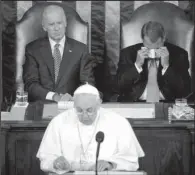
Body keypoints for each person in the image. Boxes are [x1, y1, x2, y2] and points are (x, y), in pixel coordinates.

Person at [36, 83, 145, 174]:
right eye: (79, 110)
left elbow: (131, 161)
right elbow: (46, 158)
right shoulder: (59, 122)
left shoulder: (118, 122)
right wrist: (55, 163)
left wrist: (111, 164)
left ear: (99, 104)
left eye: (89, 110)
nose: (84, 115)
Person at [23, 5, 97, 103]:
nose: (56, 28)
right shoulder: (33, 49)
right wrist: (54, 96)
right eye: (51, 24)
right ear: (44, 27)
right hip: (41, 107)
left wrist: (73, 97)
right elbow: (31, 84)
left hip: (72, 107)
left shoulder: (81, 50)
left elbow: (87, 84)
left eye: (59, 23)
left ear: (65, 23)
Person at [116, 21, 191, 102]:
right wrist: (136, 66)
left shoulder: (179, 54)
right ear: (142, 39)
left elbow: (185, 91)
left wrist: (166, 67)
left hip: (167, 104)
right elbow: (117, 87)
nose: (153, 51)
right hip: (135, 103)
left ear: (164, 38)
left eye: (157, 48)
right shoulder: (127, 53)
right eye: (148, 47)